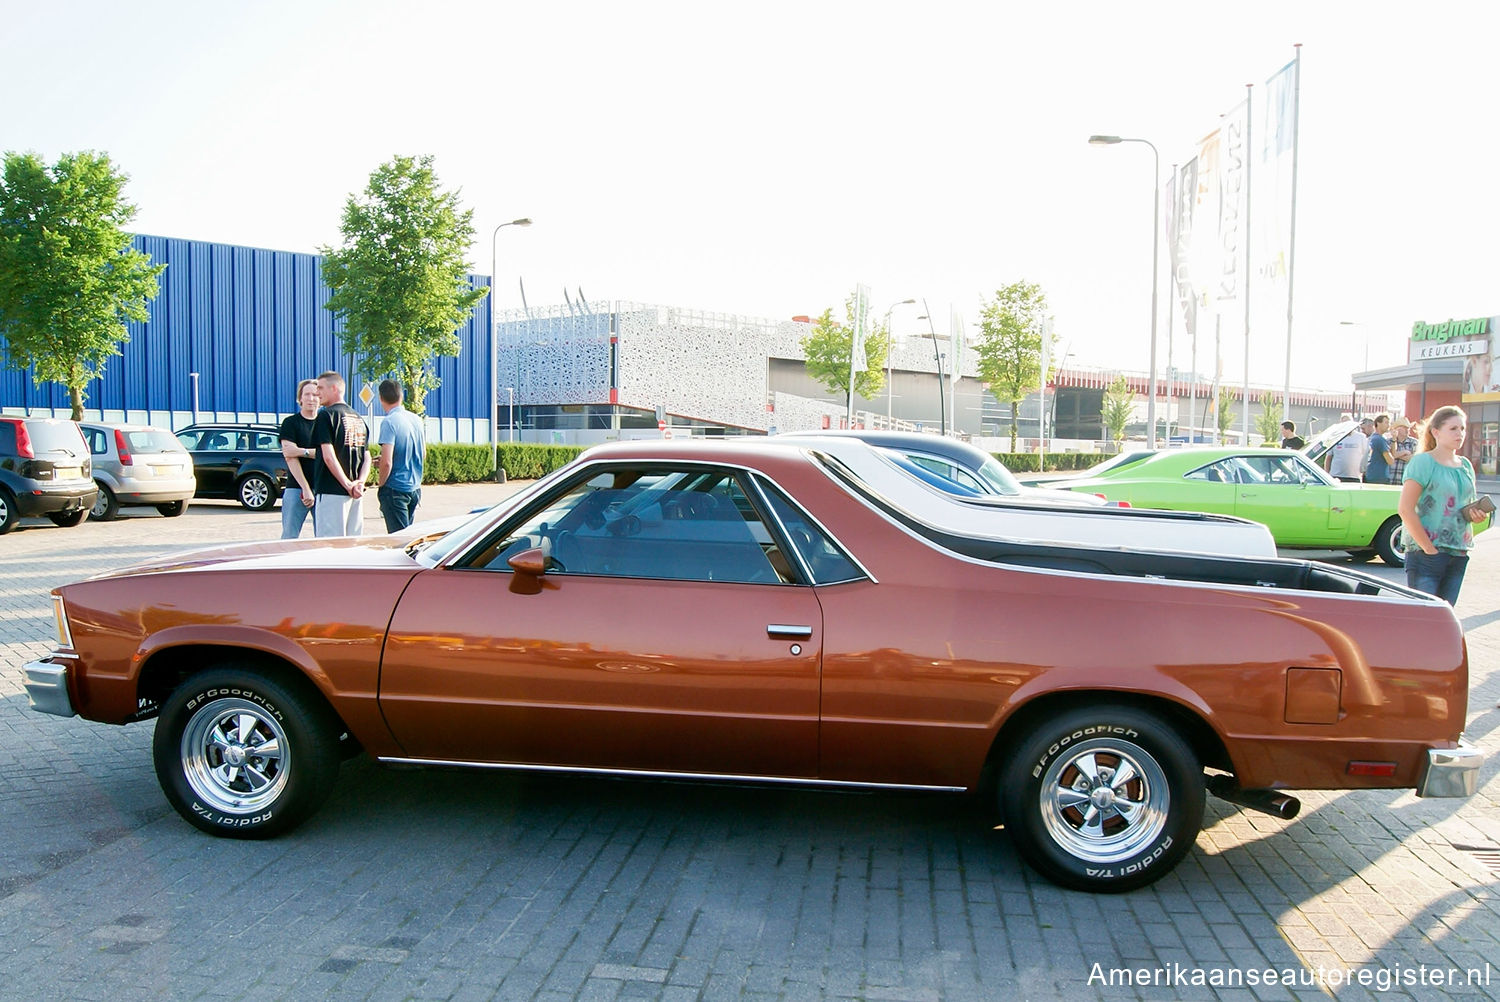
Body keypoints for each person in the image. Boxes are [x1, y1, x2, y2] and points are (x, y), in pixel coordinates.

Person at [1398, 405, 1487, 605]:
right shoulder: (1422, 462)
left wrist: (1476, 514)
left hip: (1458, 551)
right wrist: (1429, 549)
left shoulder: (1465, 466)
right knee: (1425, 619)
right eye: (1453, 428)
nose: (1460, 433)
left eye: (1463, 428)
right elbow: (1405, 509)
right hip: (1426, 553)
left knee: (1445, 620)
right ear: (1436, 432)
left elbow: (1463, 508)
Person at [312, 371, 370, 537]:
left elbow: (328, 456)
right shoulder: (358, 418)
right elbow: (366, 456)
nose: (317, 393)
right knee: (353, 542)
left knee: (329, 545)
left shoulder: (326, 415)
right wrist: (360, 482)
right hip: (355, 494)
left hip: (331, 491)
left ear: (334, 388)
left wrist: (347, 484)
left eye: (321, 388)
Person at [374, 379, 426, 532]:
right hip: (414, 487)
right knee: (407, 535)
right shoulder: (416, 420)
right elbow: (423, 454)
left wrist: (381, 484)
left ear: (381, 398)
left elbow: (387, 463)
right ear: (401, 396)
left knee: (398, 540)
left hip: (395, 488)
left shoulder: (389, 422)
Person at [278, 378, 321, 539]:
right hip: (296, 488)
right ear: (300, 398)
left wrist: (301, 451)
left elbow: (329, 454)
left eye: (316, 395)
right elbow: (289, 455)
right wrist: (306, 489)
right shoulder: (291, 423)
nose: (311, 399)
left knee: (324, 538)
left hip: (323, 489)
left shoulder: (325, 423)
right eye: (307, 394)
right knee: (289, 536)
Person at [1328, 417, 1371, 482]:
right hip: (1336, 477)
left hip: (1355, 476)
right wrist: (1327, 475)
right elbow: (1328, 457)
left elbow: (1366, 455)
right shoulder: (1334, 437)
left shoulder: (1361, 437)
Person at [1365, 413, 1393, 487]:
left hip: (1370, 475)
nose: (1388, 425)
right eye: (1386, 422)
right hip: (1380, 477)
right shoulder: (1380, 440)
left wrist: (1394, 440)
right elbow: (1390, 461)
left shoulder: (1372, 438)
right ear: (1378, 423)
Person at [1388, 418, 1415, 485]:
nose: (1408, 430)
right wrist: (1404, 452)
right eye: (1405, 427)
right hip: (1390, 479)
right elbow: (1387, 457)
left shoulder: (1414, 442)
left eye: (1408, 428)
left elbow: (1413, 458)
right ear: (1398, 429)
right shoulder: (1388, 442)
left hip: (1406, 480)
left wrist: (1394, 455)